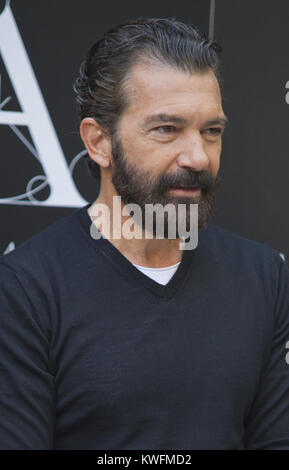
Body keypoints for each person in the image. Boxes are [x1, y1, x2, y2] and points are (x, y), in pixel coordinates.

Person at [0, 17, 289, 450]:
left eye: (212, 131)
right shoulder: (24, 289)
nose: (197, 156)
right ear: (99, 143)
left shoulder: (263, 275)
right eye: (166, 129)